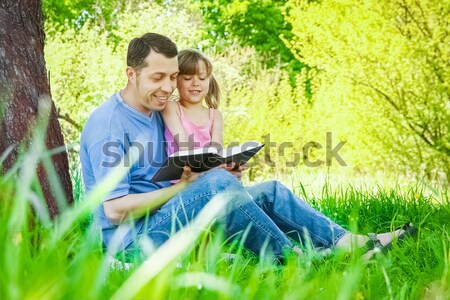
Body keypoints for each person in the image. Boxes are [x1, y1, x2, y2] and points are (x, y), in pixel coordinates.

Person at [80, 32, 412, 262]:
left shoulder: (156, 109)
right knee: (218, 186)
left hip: (167, 214)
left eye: (172, 77)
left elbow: (180, 160)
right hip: (132, 241)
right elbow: (114, 210)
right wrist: (185, 187)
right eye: (158, 78)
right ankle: (300, 261)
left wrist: (218, 166)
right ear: (130, 74)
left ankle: (348, 242)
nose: (168, 87)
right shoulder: (109, 125)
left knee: (271, 191)